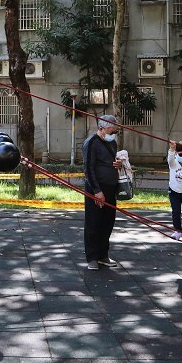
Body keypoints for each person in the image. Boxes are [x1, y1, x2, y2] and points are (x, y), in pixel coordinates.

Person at [82, 114, 123, 271]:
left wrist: (118, 164)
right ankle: (92, 257)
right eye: (111, 131)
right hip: (96, 188)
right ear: (101, 128)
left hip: (110, 187)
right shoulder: (91, 143)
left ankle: (103, 254)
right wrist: (97, 191)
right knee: (93, 222)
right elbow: (88, 169)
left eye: (115, 131)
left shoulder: (111, 143)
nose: (113, 134)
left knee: (108, 222)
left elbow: (112, 161)